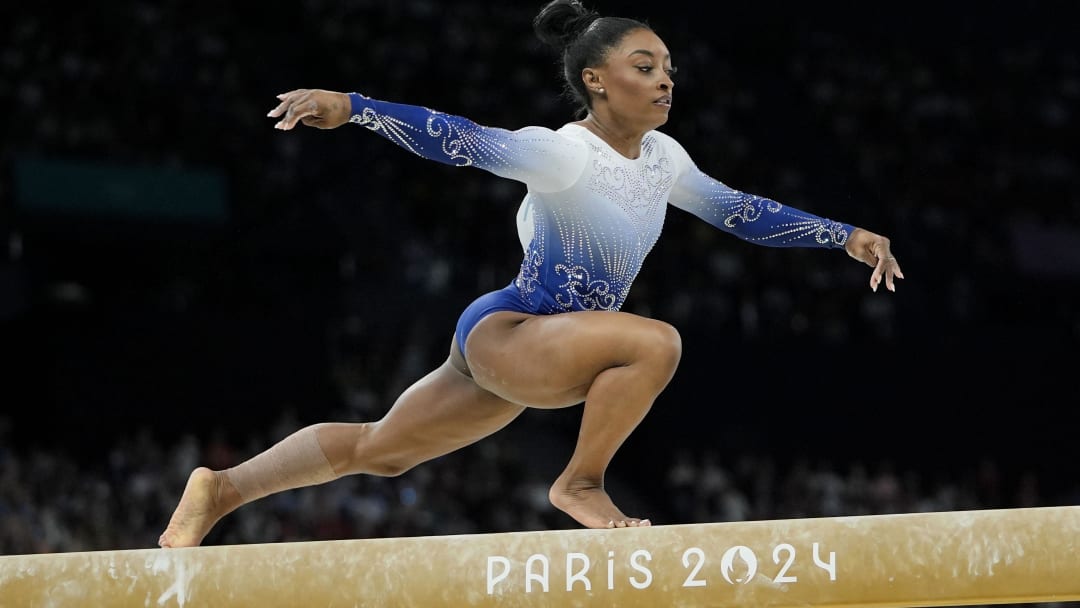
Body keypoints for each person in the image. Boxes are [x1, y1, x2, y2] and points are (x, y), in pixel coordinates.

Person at [159, 0, 904, 548]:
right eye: (644, 67)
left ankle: (222, 489)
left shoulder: (665, 161)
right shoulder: (563, 151)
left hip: (530, 354)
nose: (665, 81)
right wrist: (353, 106)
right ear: (596, 80)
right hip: (514, 331)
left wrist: (845, 237)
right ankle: (579, 481)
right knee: (654, 344)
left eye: (670, 71)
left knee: (380, 451)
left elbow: (740, 211)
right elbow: (459, 140)